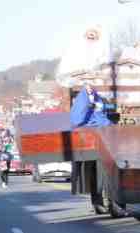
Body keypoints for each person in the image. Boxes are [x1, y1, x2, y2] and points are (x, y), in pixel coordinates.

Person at [56, 25, 116, 215]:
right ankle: (98, 201)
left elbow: (105, 114)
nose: (92, 38)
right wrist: (89, 104)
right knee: (97, 169)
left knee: (110, 170)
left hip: (106, 134)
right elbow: (77, 118)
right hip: (93, 135)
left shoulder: (101, 95)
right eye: (89, 35)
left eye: (95, 35)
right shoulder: (84, 95)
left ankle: (113, 202)